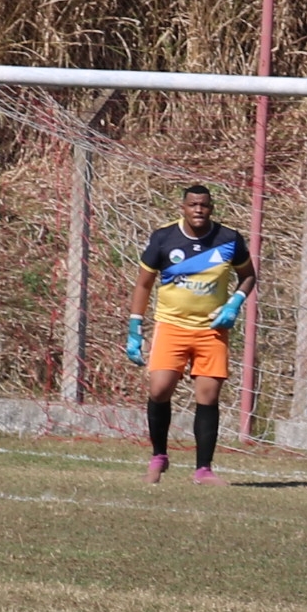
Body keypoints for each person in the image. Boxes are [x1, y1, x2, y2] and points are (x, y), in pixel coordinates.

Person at [126, 184, 254, 483]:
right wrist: (135, 327)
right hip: (171, 326)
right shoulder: (164, 238)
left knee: (208, 396)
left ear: (212, 208)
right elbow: (144, 284)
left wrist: (235, 303)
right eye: (193, 205)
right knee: (159, 389)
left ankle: (203, 469)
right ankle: (159, 456)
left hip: (211, 329)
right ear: (183, 207)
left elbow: (248, 276)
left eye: (204, 205)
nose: (199, 210)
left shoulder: (229, 239)